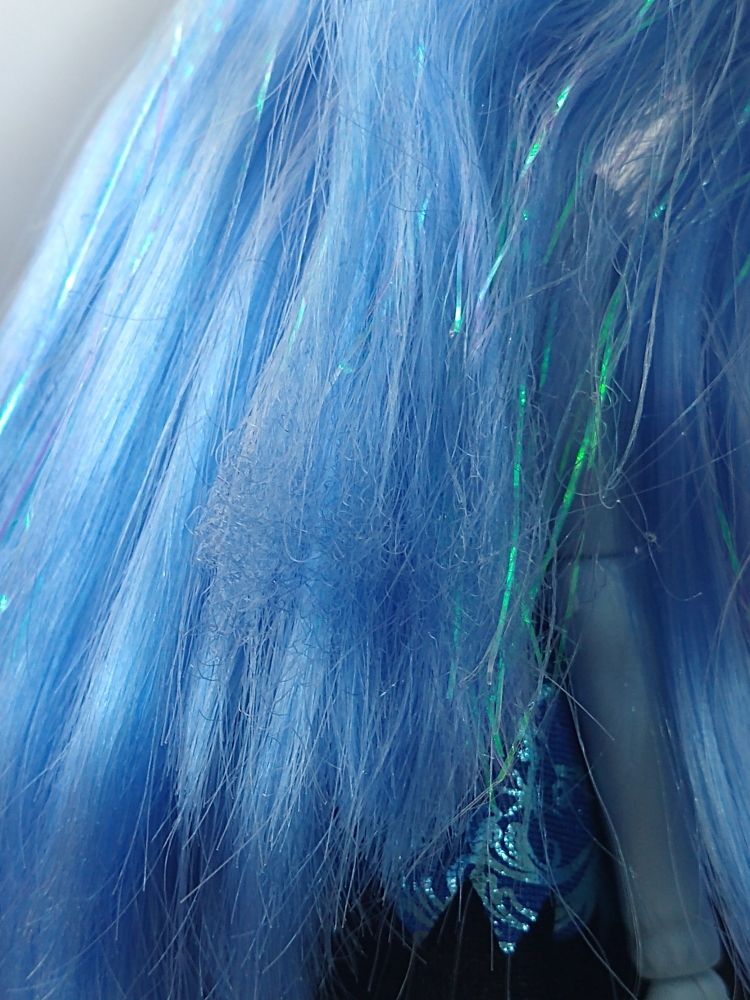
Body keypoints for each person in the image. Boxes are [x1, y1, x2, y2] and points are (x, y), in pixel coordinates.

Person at [0, 1, 747, 997]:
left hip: (316, 868)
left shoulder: (177, 228)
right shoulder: (536, 228)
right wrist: (678, 946)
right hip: (450, 883)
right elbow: (597, 581)